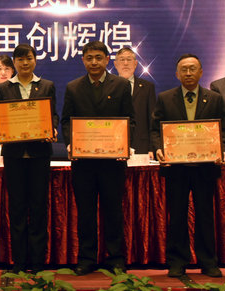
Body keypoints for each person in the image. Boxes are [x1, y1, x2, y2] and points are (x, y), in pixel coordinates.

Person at [61, 41, 134, 275]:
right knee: (86, 213)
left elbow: (130, 120)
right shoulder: (73, 87)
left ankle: (116, 258)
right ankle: (86, 258)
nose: (94, 62)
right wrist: (70, 142)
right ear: (83, 60)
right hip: (83, 163)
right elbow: (66, 121)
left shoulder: (121, 85)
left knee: (113, 211)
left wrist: (124, 144)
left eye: (98, 58)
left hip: (113, 162)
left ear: (107, 60)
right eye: (89, 58)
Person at [150, 54, 224, 278]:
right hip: (176, 167)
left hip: (205, 167)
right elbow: (155, 129)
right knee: (177, 215)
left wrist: (220, 149)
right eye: (184, 69)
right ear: (177, 74)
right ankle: (177, 261)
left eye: (193, 69)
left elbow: (223, 129)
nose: (189, 73)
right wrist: (159, 148)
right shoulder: (165, 98)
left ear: (201, 72)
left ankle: (208, 262)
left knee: (205, 215)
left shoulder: (214, 98)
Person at [0, 44, 57, 273]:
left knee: (39, 209)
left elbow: (53, 115)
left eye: (28, 58)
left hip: (39, 155)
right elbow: (0, 117)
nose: (25, 63)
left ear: (35, 60)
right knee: (17, 209)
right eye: (20, 59)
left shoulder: (47, 86)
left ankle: (38, 262)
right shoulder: (5, 88)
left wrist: (52, 128)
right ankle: (19, 262)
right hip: (14, 156)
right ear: (14, 63)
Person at [114, 46, 156, 156]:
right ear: (115, 64)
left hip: (142, 146)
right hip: (114, 145)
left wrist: (152, 148)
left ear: (136, 64)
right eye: (122, 60)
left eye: (129, 59)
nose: (125, 63)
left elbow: (152, 120)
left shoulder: (147, 87)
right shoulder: (108, 87)